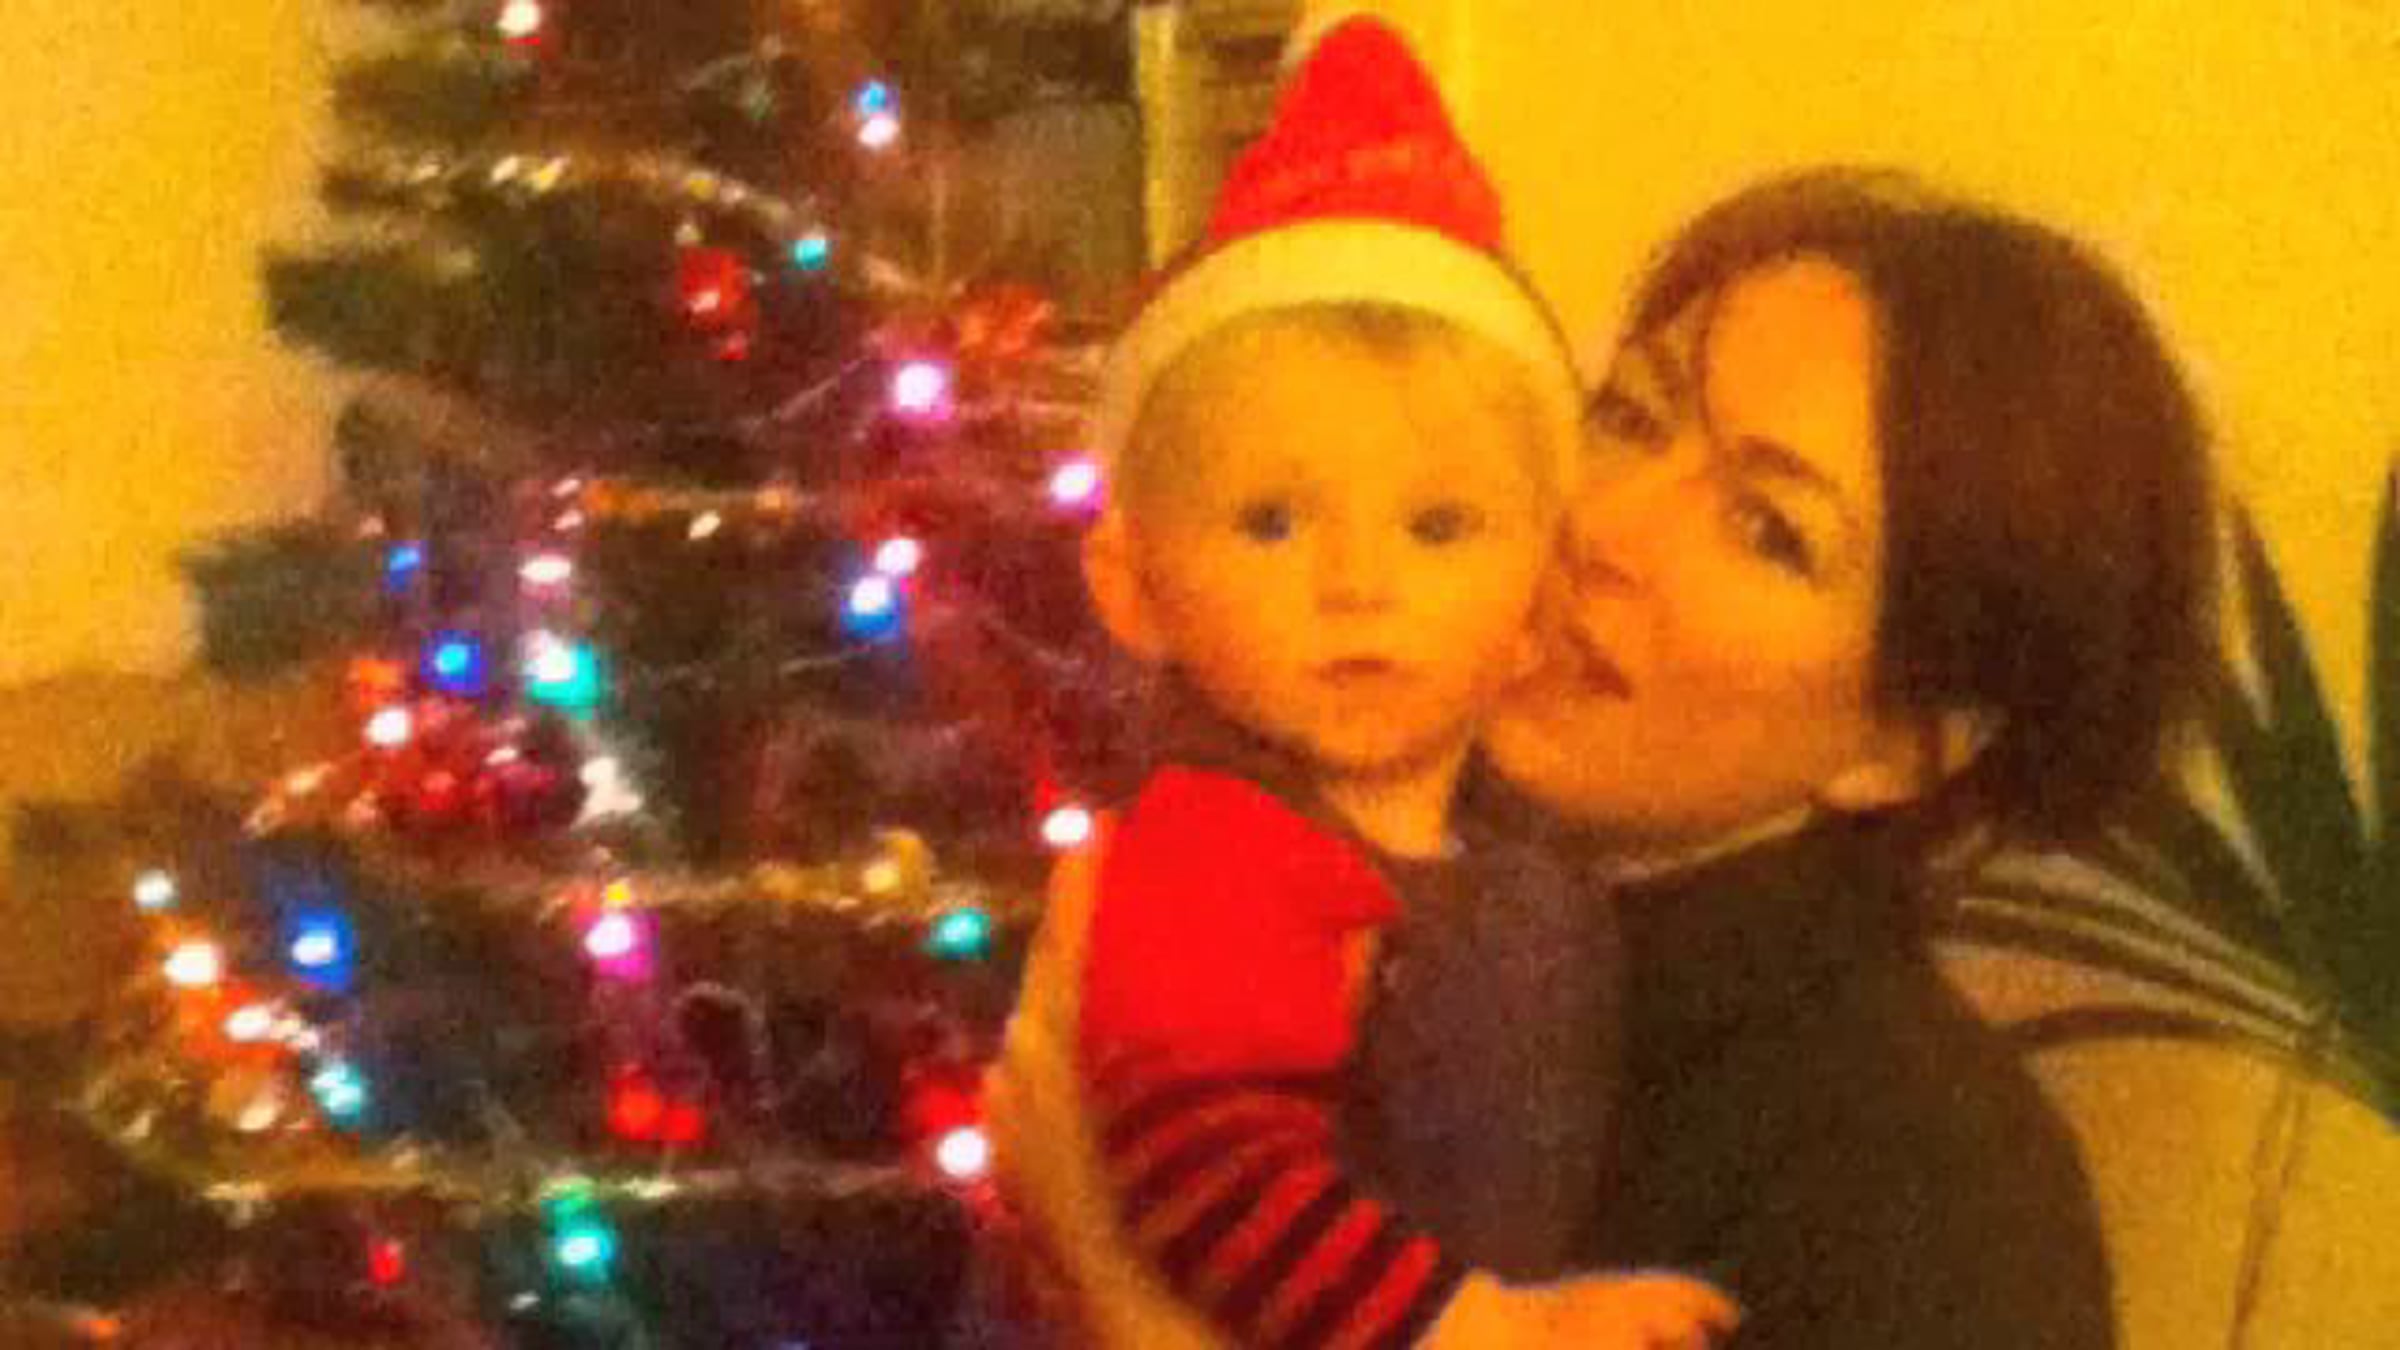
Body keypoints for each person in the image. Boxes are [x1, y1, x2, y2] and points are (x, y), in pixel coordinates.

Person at [992, 165, 2217, 1349]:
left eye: (1769, 530)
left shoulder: (1937, 1207)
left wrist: (1115, 1291)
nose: (1603, 525)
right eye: (1627, 417)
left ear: (1902, 749)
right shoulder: (1311, 836)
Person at [1057, 15, 1736, 1350]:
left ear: (1540, 599)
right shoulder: (1222, 841)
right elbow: (1201, 1163)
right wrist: (1488, 1328)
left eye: (1438, 526)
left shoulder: (1515, 849)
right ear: (1135, 586)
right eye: (1271, 522)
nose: (1357, 582)